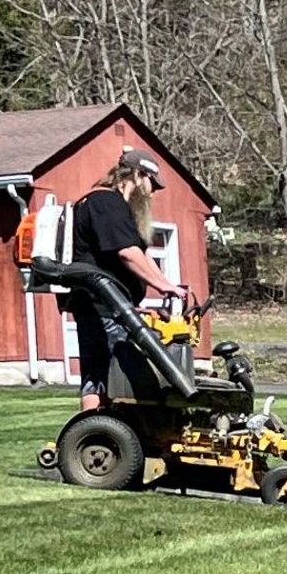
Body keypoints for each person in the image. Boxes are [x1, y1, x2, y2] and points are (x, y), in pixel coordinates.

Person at [68, 148, 186, 410]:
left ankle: (97, 436)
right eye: (151, 183)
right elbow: (129, 254)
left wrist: (139, 298)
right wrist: (166, 286)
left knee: (97, 377)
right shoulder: (106, 203)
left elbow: (130, 255)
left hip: (107, 305)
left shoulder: (106, 205)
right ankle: (105, 435)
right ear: (137, 174)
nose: (152, 192)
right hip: (102, 307)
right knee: (116, 375)